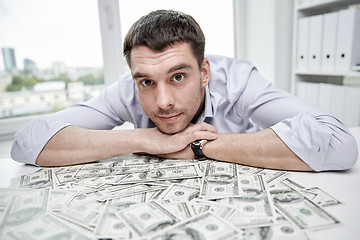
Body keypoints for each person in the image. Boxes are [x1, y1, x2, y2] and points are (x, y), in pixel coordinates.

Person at [11, 10, 358, 172]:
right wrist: (145, 140)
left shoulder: (237, 80)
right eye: (147, 81)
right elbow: (27, 141)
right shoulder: (127, 90)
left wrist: (197, 147)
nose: (162, 102)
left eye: (178, 77)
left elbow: (338, 142)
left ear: (204, 72)